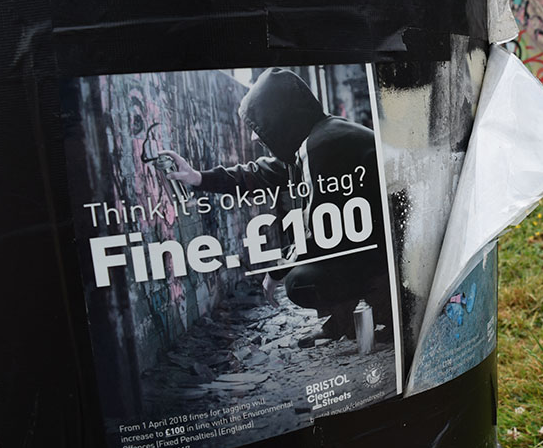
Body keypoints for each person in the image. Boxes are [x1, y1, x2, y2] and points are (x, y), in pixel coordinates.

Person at [161, 67, 390, 348]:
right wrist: (198, 178)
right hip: (388, 243)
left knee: (302, 280)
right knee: (315, 266)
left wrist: (276, 271)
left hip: (395, 251)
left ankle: (389, 313)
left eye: (260, 126)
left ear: (280, 118)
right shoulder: (317, 137)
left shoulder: (323, 145)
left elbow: (320, 233)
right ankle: (346, 322)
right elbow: (257, 173)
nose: (257, 138)